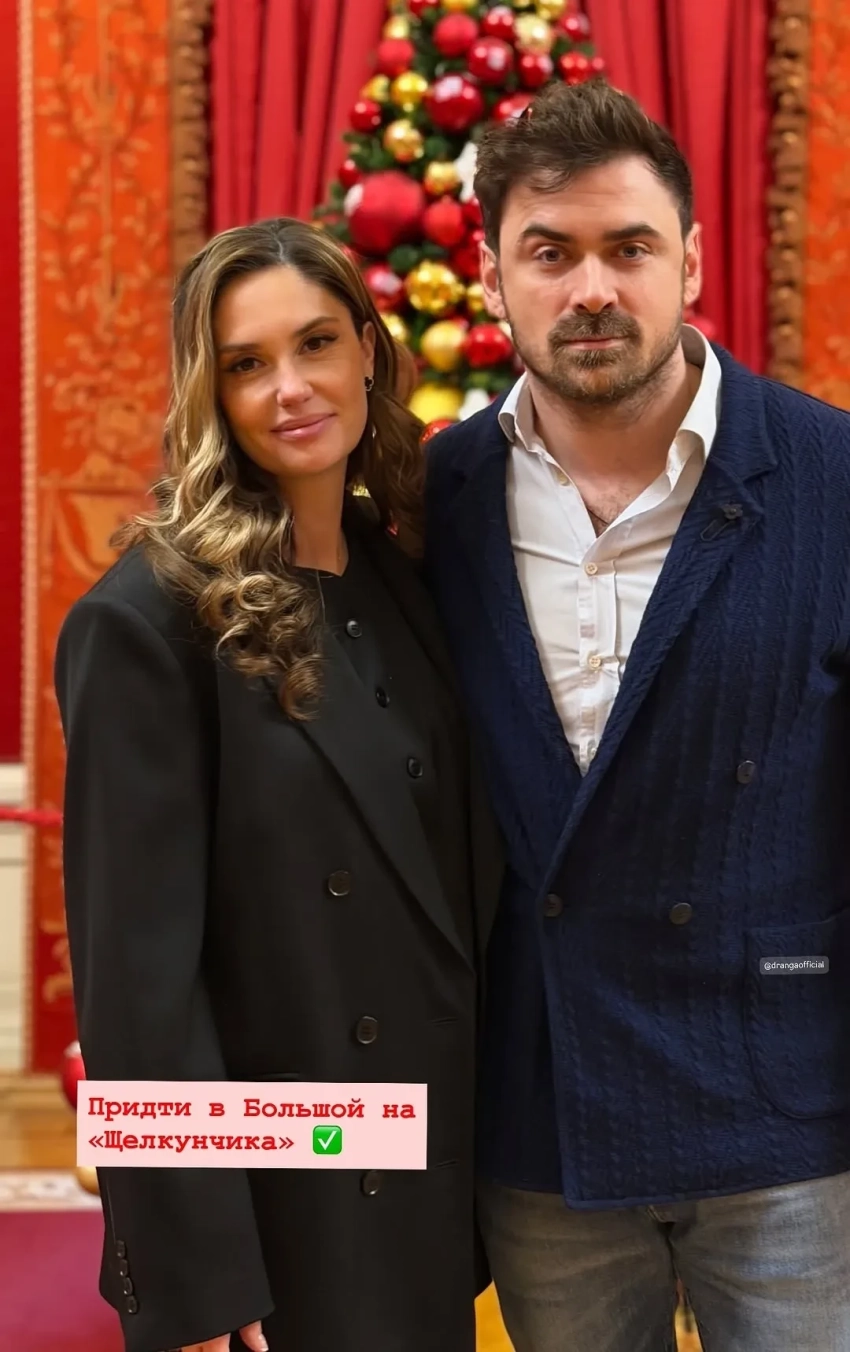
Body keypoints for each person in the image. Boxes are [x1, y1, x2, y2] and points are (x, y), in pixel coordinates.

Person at [424, 78, 850, 1352]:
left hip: (789, 1108)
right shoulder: (429, 499)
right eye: (549, 254)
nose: (592, 289)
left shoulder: (833, 477)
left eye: (629, 247)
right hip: (546, 1115)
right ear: (492, 276)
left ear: (691, 262)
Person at [55, 217, 502, 1352]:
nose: (290, 388)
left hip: (420, 1182)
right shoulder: (146, 619)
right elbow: (136, 985)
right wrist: (191, 1274)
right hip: (279, 1207)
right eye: (246, 363)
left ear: (368, 350)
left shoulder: (402, 575)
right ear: (209, 394)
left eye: (315, 343)